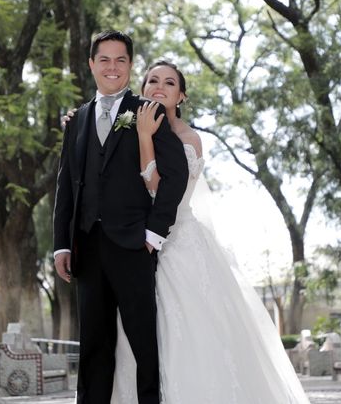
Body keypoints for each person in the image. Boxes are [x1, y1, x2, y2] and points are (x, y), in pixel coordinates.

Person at [68, 60, 310, 404]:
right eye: (152, 80)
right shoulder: (124, 126)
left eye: (169, 83)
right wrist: (76, 127)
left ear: (180, 96)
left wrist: (144, 138)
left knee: (190, 337)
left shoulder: (187, 138)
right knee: (128, 336)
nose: (159, 87)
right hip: (129, 246)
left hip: (177, 245)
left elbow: (161, 192)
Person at [53, 31, 190, 404]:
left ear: (130, 65)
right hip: (87, 247)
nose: (112, 67)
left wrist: (154, 234)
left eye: (121, 60)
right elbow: (67, 184)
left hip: (134, 244)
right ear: (91, 64)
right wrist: (61, 244)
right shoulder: (77, 119)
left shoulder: (149, 111)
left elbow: (175, 176)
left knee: (144, 345)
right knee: (94, 348)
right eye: (104, 60)